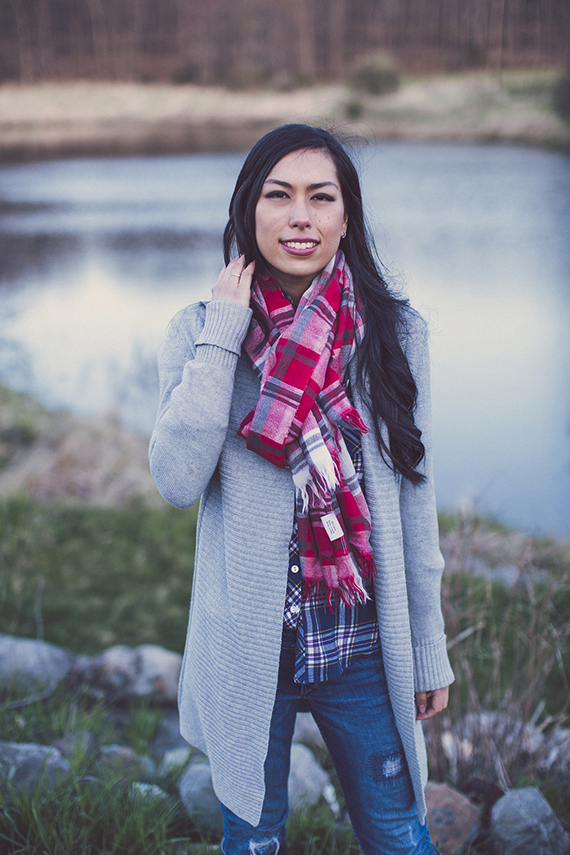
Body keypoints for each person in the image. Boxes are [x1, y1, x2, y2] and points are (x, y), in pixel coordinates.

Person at [149, 124, 454, 855]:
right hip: (251, 651)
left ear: (347, 217)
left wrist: (429, 646)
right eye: (279, 194)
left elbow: (416, 499)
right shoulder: (197, 331)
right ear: (247, 207)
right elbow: (174, 479)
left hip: (361, 647)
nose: (300, 216)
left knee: (397, 833)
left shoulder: (393, 334)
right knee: (253, 839)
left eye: (323, 197)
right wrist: (224, 333)